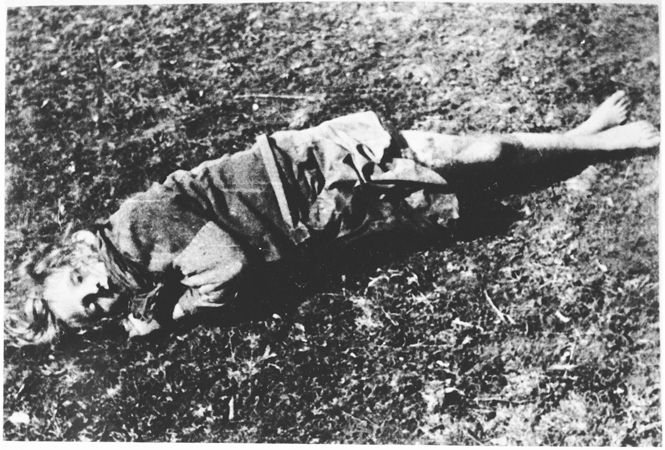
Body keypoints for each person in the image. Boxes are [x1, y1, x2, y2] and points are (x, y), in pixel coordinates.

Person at [8, 91, 659, 344]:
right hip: (326, 217)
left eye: (79, 289)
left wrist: (173, 313)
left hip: (317, 168)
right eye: (88, 314)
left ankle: (612, 141)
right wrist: (164, 306)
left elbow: (227, 270)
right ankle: (584, 135)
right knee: (473, 180)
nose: (96, 298)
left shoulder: (134, 228)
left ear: (69, 261)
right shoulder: (136, 281)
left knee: (477, 154)